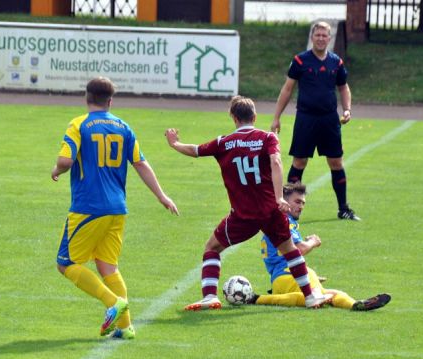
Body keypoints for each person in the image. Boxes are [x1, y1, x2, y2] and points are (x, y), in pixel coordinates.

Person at [165, 96, 332, 311]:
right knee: (290, 250)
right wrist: (279, 196)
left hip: (242, 215)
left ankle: (209, 297)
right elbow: (276, 161)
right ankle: (310, 297)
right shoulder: (267, 138)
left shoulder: (222, 143)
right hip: (270, 210)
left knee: (212, 248)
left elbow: (195, 150)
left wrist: (174, 143)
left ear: (233, 118)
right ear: (254, 116)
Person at [52, 76, 179, 339]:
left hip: (88, 207)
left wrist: (56, 169)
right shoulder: (123, 126)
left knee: (66, 264)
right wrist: (162, 196)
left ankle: (113, 303)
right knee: (108, 266)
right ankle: (125, 327)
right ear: (110, 101)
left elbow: (65, 160)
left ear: (87, 98)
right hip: (117, 209)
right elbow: (141, 163)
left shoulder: (79, 124)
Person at [270, 20, 361, 221]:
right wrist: (276, 117)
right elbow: (287, 89)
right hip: (306, 119)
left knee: (336, 162)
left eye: (324, 35)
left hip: (329, 120)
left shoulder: (336, 62)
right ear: (312, 37)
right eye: (317, 35)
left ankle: (343, 209)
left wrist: (347, 110)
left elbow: (344, 87)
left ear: (330, 38)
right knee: (299, 162)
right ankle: (289, 211)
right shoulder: (300, 61)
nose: (320, 39)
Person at [254, 182, 391, 311]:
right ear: (284, 201)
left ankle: (356, 305)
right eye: (297, 202)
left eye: (303, 203)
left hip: (282, 279)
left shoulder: (276, 222)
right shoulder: (285, 222)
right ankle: (256, 299)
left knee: (333, 294)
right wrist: (313, 241)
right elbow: (299, 249)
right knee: (313, 296)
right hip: (286, 275)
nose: (301, 206)